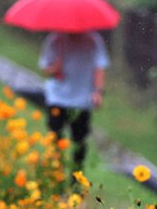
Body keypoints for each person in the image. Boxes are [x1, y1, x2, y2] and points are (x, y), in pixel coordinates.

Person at [39, 30, 108, 185]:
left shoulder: (93, 40)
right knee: (55, 137)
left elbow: (99, 67)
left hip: (82, 99)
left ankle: (75, 181)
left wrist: (98, 91)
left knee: (79, 141)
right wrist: (55, 68)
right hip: (57, 97)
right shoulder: (55, 39)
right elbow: (46, 69)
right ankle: (55, 178)